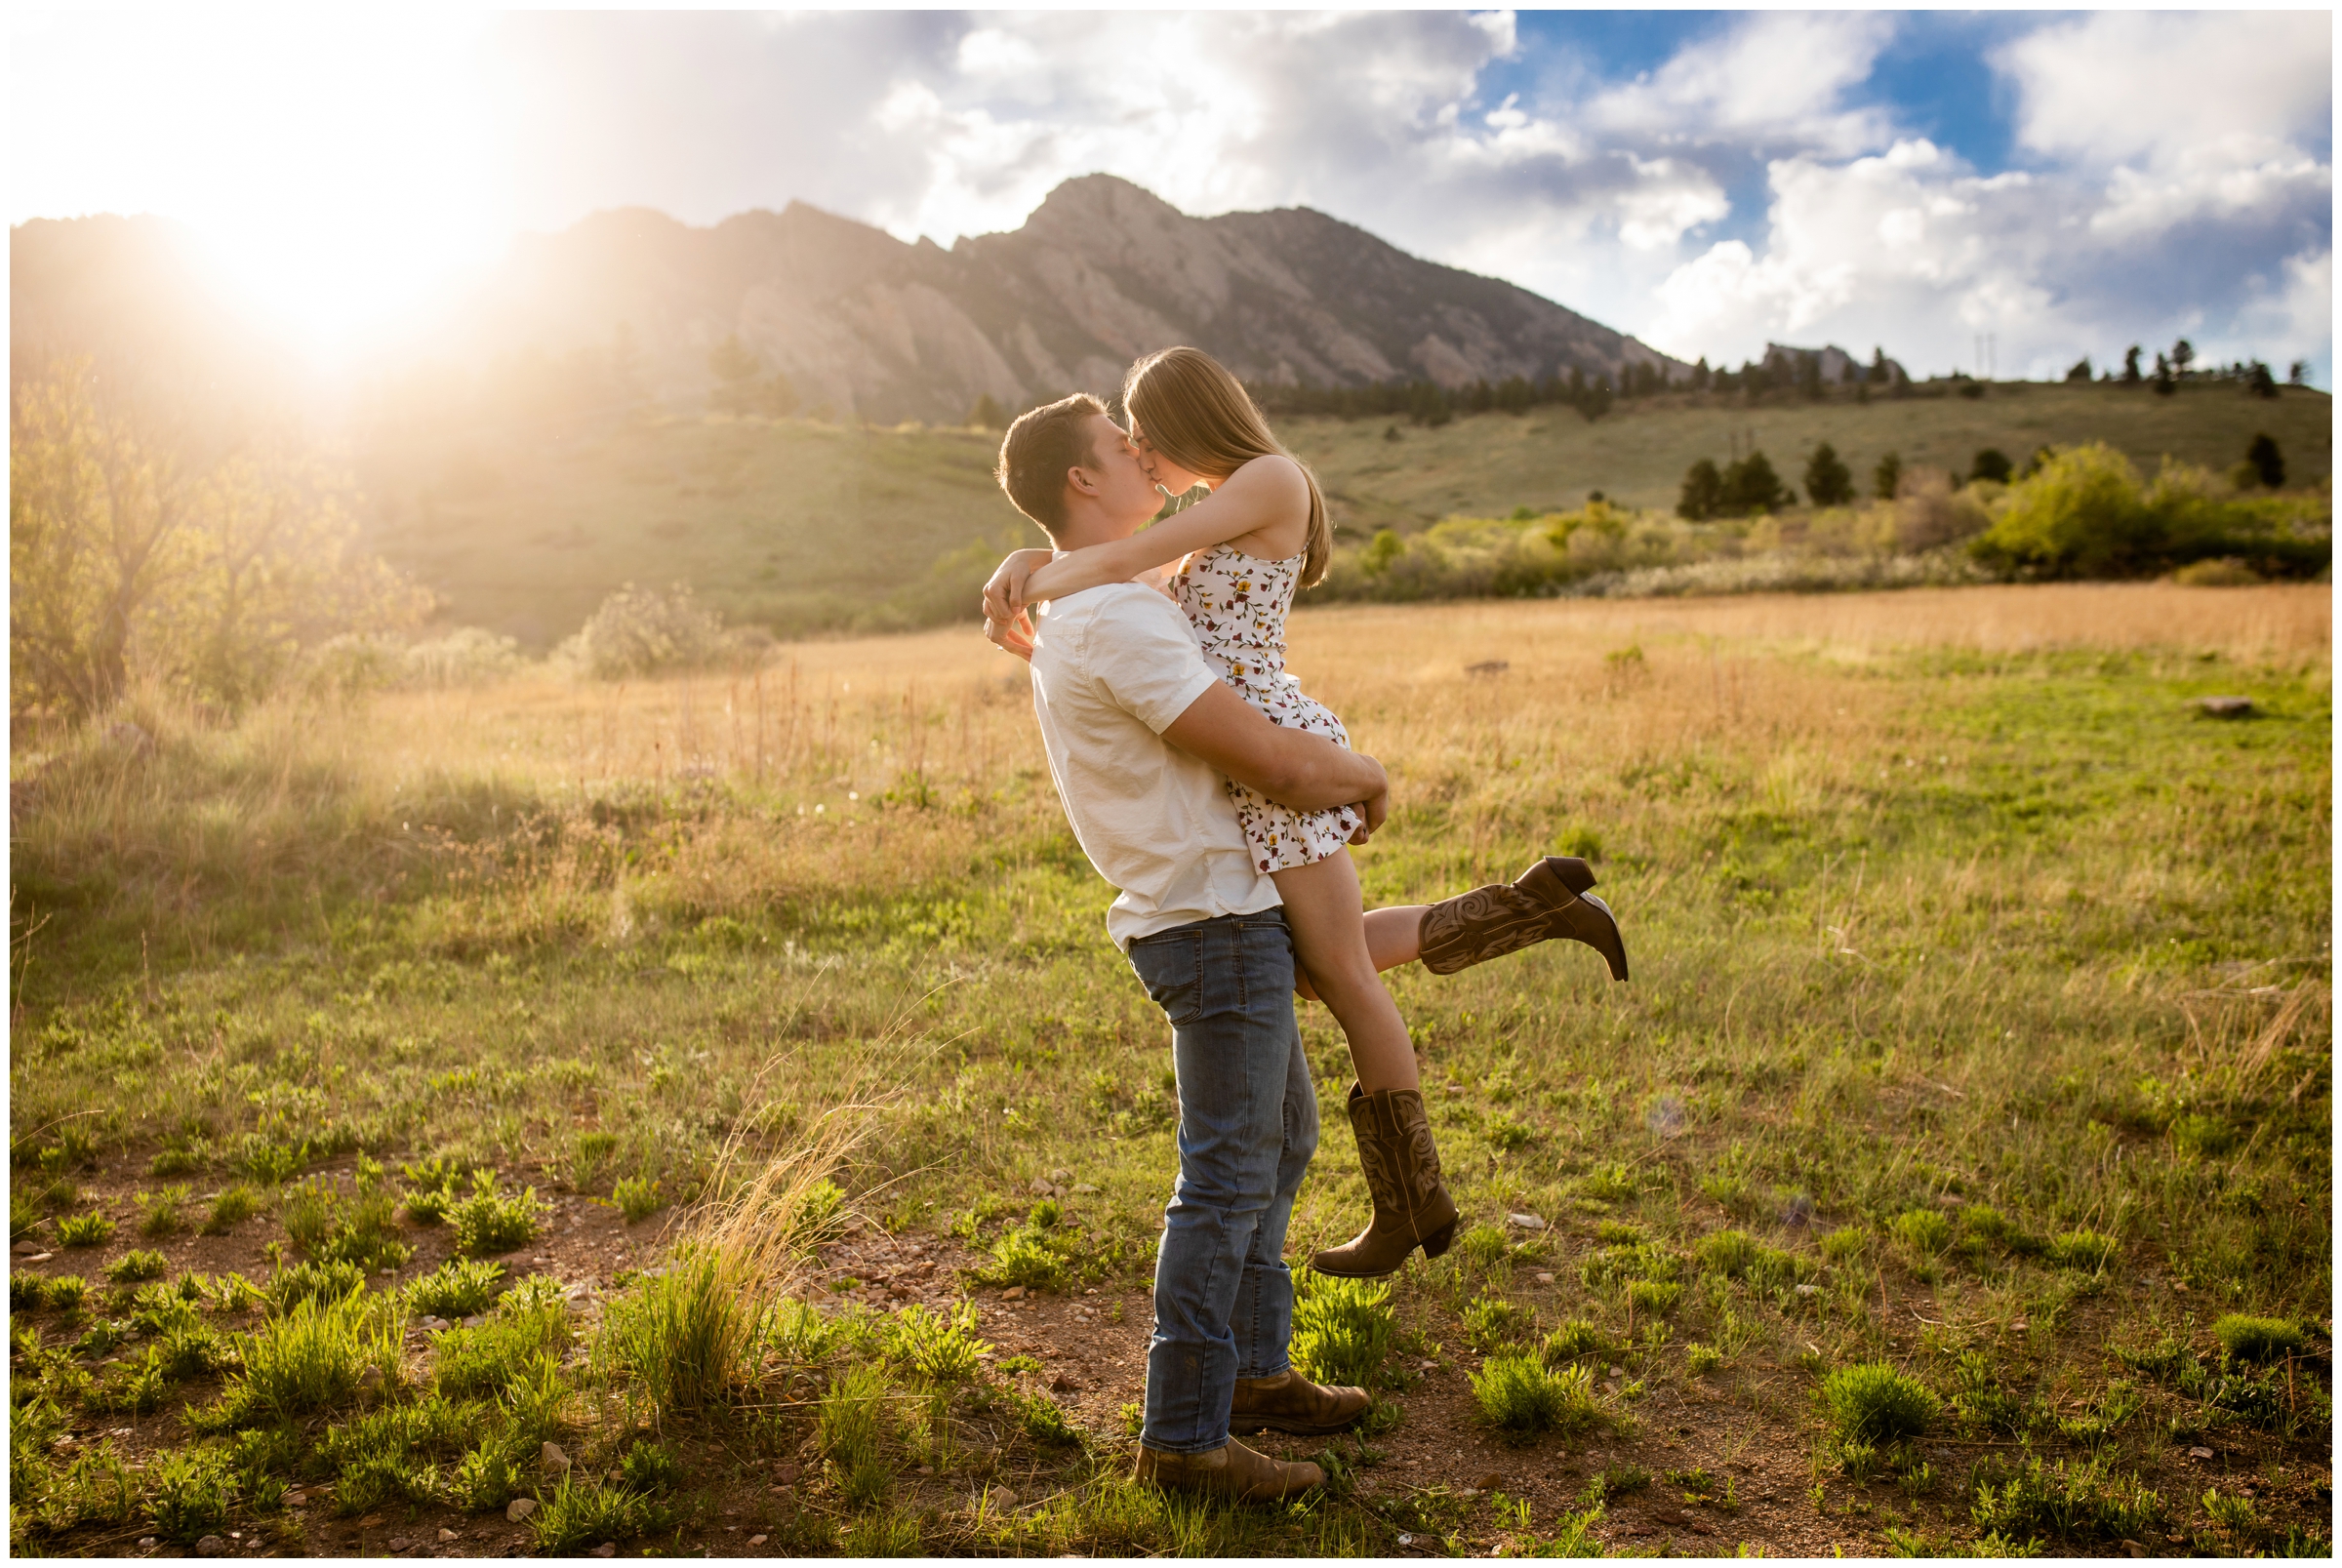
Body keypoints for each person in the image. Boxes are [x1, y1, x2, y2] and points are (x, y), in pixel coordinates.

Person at [984, 349, 1626, 1285]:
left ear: (1187, 415)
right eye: (1127, 441)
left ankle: (1412, 1199)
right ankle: (1532, 907)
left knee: (1344, 976)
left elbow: (1119, 559)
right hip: (1252, 750)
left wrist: (1028, 571)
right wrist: (1030, 551)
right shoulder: (1216, 514)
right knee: (1323, 963)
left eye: (1145, 431)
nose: (1142, 451)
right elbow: (1126, 573)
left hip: (1277, 749)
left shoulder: (1270, 478)